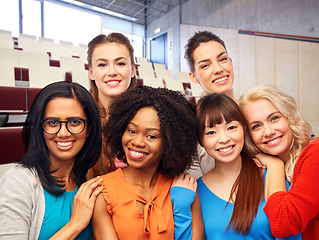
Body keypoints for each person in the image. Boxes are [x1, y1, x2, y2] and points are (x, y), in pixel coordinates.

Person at [171, 93, 300, 239]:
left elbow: (290, 234)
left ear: (244, 129)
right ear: (200, 140)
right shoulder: (196, 191)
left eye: (231, 127)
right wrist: (180, 206)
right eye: (211, 132)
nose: (224, 139)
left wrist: (274, 164)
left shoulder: (272, 176)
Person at [91, 86, 204, 240]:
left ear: (170, 142)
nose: (137, 142)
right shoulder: (102, 193)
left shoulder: (184, 189)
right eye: (132, 131)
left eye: (151, 136)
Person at [0, 81, 103, 240]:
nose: (63, 133)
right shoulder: (17, 183)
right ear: (40, 129)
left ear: (89, 128)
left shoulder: (87, 179)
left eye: (74, 122)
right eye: (52, 122)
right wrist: (75, 225)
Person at [239, 85, 318, 240]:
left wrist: (273, 164)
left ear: (289, 118)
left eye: (274, 118)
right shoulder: (264, 172)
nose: (268, 132)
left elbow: (283, 223)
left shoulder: (315, 153)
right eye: (256, 126)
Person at [184, 30, 236, 179]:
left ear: (231, 62)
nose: (219, 69)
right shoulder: (190, 127)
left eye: (223, 59)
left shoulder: (253, 112)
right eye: (205, 65)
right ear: (193, 77)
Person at [86, 33, 136, 178]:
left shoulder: (150, 116)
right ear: (91, 72)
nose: (112, 72)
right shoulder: (81, 120)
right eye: (102, 65)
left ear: (132, 70)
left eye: (120, 63)